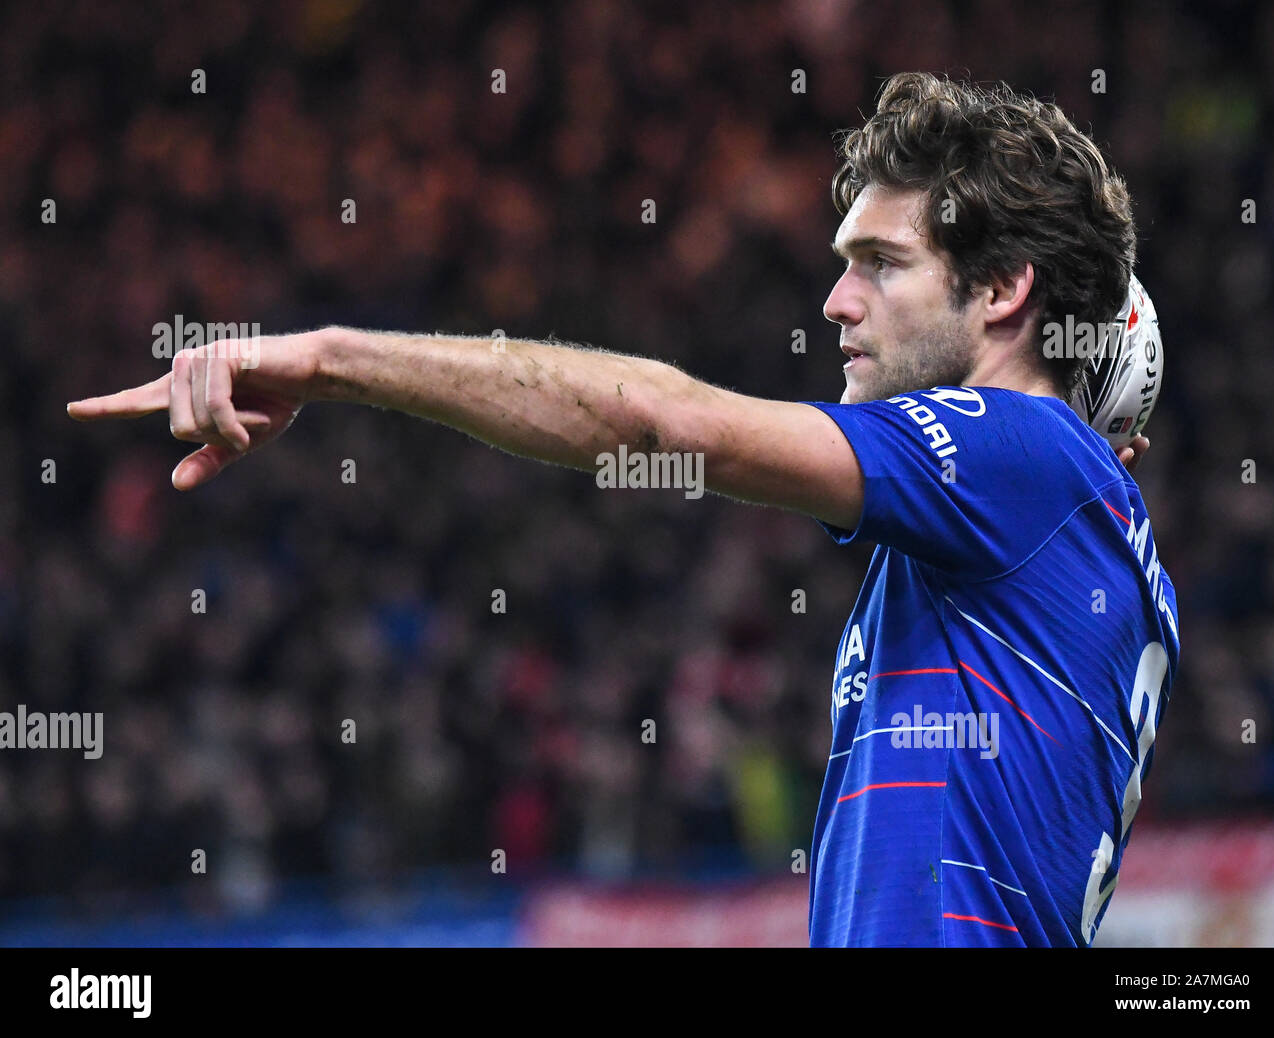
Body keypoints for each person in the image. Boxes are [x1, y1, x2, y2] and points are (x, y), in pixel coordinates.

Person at [67, 72, 1175, 947]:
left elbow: (657, 426)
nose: (835, 301)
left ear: (1003, 291)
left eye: (880, 264)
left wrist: (328, 357)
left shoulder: (1024, 456)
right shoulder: (1042, 524)